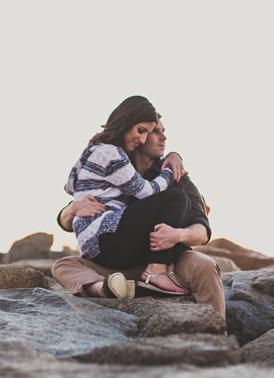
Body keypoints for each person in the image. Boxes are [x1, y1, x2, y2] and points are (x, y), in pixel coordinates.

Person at [57, 97, 225, 323]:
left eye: (160, 131)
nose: (163, 136)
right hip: (126, 259)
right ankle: (106, 287)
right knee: (63, 264)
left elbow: (203, 231)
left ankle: (216, 333)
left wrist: (178, 235)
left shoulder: (177, 177)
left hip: (170, 258)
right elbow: (73, 217)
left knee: (204, 265)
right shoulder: (116, 165)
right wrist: (71, 209)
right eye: (154, 131)